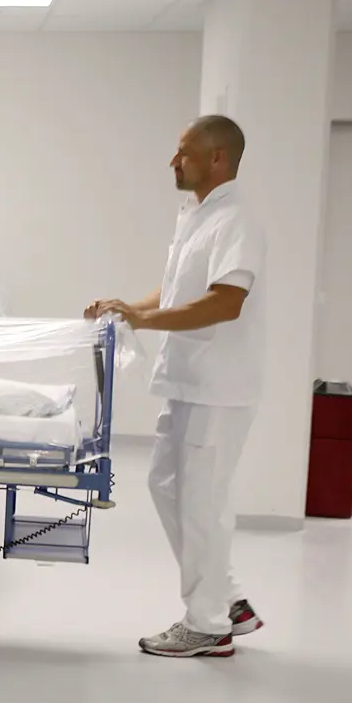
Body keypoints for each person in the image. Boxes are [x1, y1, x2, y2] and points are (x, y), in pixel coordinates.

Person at [86, 114, 268, 659]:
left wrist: (143, 322)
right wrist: (126, 308)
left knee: (202, 505)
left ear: (217, 158)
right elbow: (173, 290)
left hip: (219, 388)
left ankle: (208, 624)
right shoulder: (196, 215)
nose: (173, 160)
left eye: (183, 152)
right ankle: (228, 599)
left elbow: (224, 303)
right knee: (166, 487)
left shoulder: (237, 219)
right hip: (188, 382)